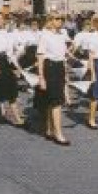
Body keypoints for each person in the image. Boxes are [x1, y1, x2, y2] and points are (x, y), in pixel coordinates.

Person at [33, 13, 71, 146]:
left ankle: (49, 130)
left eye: (61, 19)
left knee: (52, 101)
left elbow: (63, 56)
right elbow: (40, 57)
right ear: (50, 21)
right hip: (50, 68)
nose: (60, 21)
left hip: (59, 67)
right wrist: (41, 77)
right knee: (57, 102)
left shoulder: (62, 35)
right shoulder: (45, 35)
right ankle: (58, 134)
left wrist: (66, 73)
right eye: (57, 19)